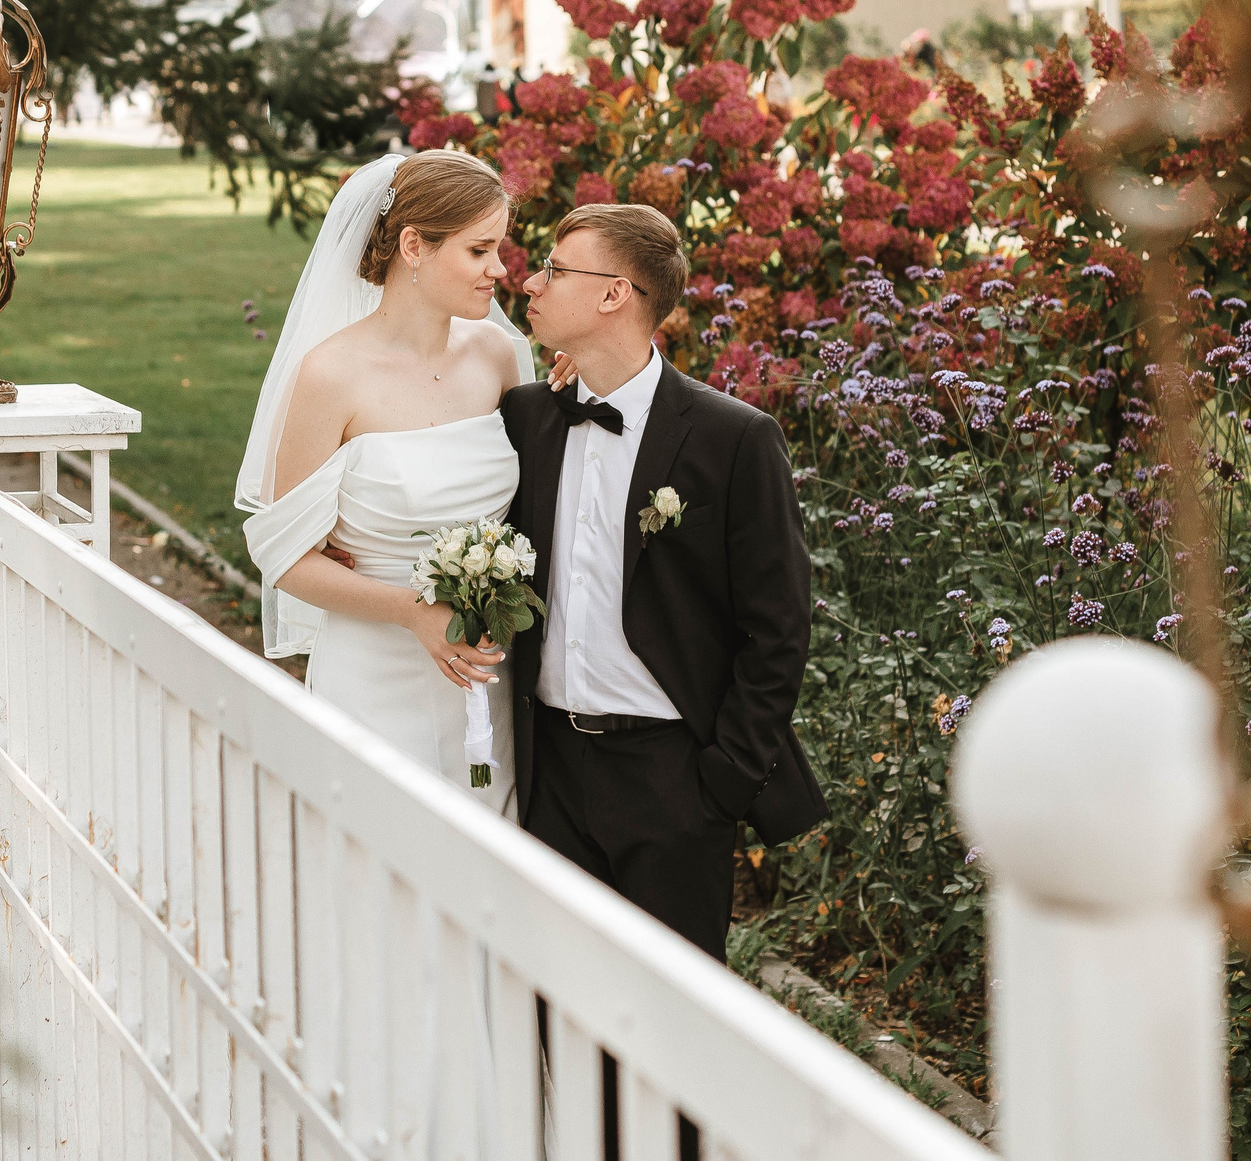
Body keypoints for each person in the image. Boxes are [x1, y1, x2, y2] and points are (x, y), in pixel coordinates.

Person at [502, 204, 826, 959]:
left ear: (614, 293)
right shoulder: (524, 418)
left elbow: (778, 627)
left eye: (554, 268)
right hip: (548, 770)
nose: (531, 282)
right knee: (554, 994)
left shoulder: (734, 438)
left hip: (672, 780)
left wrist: (722, 781)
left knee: (670, 1003)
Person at [235, 151, 532, 809]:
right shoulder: (331, 375)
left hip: (484, 672)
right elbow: (284, 556)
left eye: (499, 248)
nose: (500, 269)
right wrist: (410, 610)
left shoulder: (495, 355)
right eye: (479, 249)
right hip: (373, 674)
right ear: (413, 246)